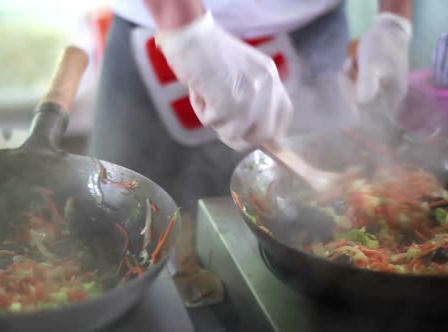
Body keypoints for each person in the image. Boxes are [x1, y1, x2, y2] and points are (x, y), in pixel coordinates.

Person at [89, 0, 413, 298]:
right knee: (118, 241)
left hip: (315, 31)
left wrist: (394, 19)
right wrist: (185, 28)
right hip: (162, 31)